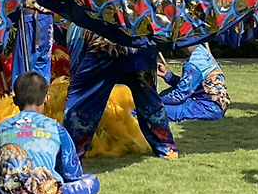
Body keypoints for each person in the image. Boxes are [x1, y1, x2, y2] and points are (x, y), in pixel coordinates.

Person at [0, 71, 100, 194]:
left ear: (15, 100)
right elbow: (72, 174)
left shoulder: (1, 128)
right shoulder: (55, 128)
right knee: (92, 180)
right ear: (46, 99)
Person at [61, 24, 179, 159]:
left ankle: (70, 156)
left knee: (81, 103)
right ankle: (167, 149)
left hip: (105, 45)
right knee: (150, 102)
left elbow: (76, 74)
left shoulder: (78, 24)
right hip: (140, 41)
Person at [158, 43, 231, 122]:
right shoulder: (202, 52)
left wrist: (153, 101)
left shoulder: (194, 64)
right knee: (166, 94)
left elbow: (179, 96)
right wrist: (166, 74)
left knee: (154, 110)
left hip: (207, 109)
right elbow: (190, 85)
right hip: (216, 106)